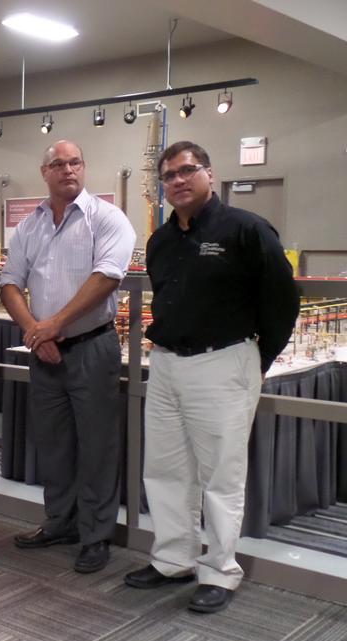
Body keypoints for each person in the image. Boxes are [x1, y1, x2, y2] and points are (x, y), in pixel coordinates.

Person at [124, 141, 299, 613]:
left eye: (187, 171)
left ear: (208, 173)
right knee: (163, 469)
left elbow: (283, 302)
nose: (178, 181)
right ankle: (172, 559)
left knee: (221, 474)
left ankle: (220, 570)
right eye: (169, 176)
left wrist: (256, 360)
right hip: (164, 363)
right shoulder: (161, 241)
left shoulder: (246, 229)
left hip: (222, 363)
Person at [0, 139, 136, 573]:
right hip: (44, 352)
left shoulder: (108, 219)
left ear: (85, 166)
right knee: (54, 444)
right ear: (45, 173)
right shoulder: (30, 226)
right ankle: (60, 521)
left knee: (97, 445)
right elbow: (9, 283)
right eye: (58, 164)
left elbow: (107, 278)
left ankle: (96, 535)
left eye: (75, 162)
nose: (68, 170)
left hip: (92, 347)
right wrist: (36, 333)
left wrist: (50, 327)